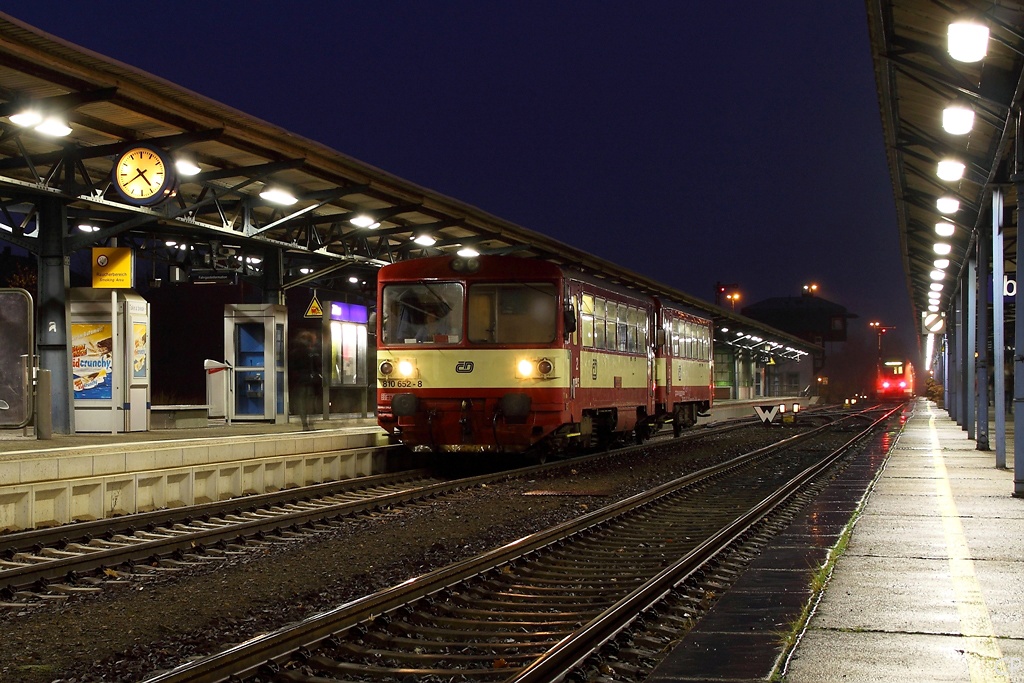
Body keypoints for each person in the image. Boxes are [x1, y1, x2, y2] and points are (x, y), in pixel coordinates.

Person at [289, 331, 321, 430]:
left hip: (299, 381)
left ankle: (305, 424)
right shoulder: (312, 352)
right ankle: (310, 423)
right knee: (310, 403)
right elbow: (318, 366)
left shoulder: (294, 352)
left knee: (302, 403)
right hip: (310, 381)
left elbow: (292, 367)